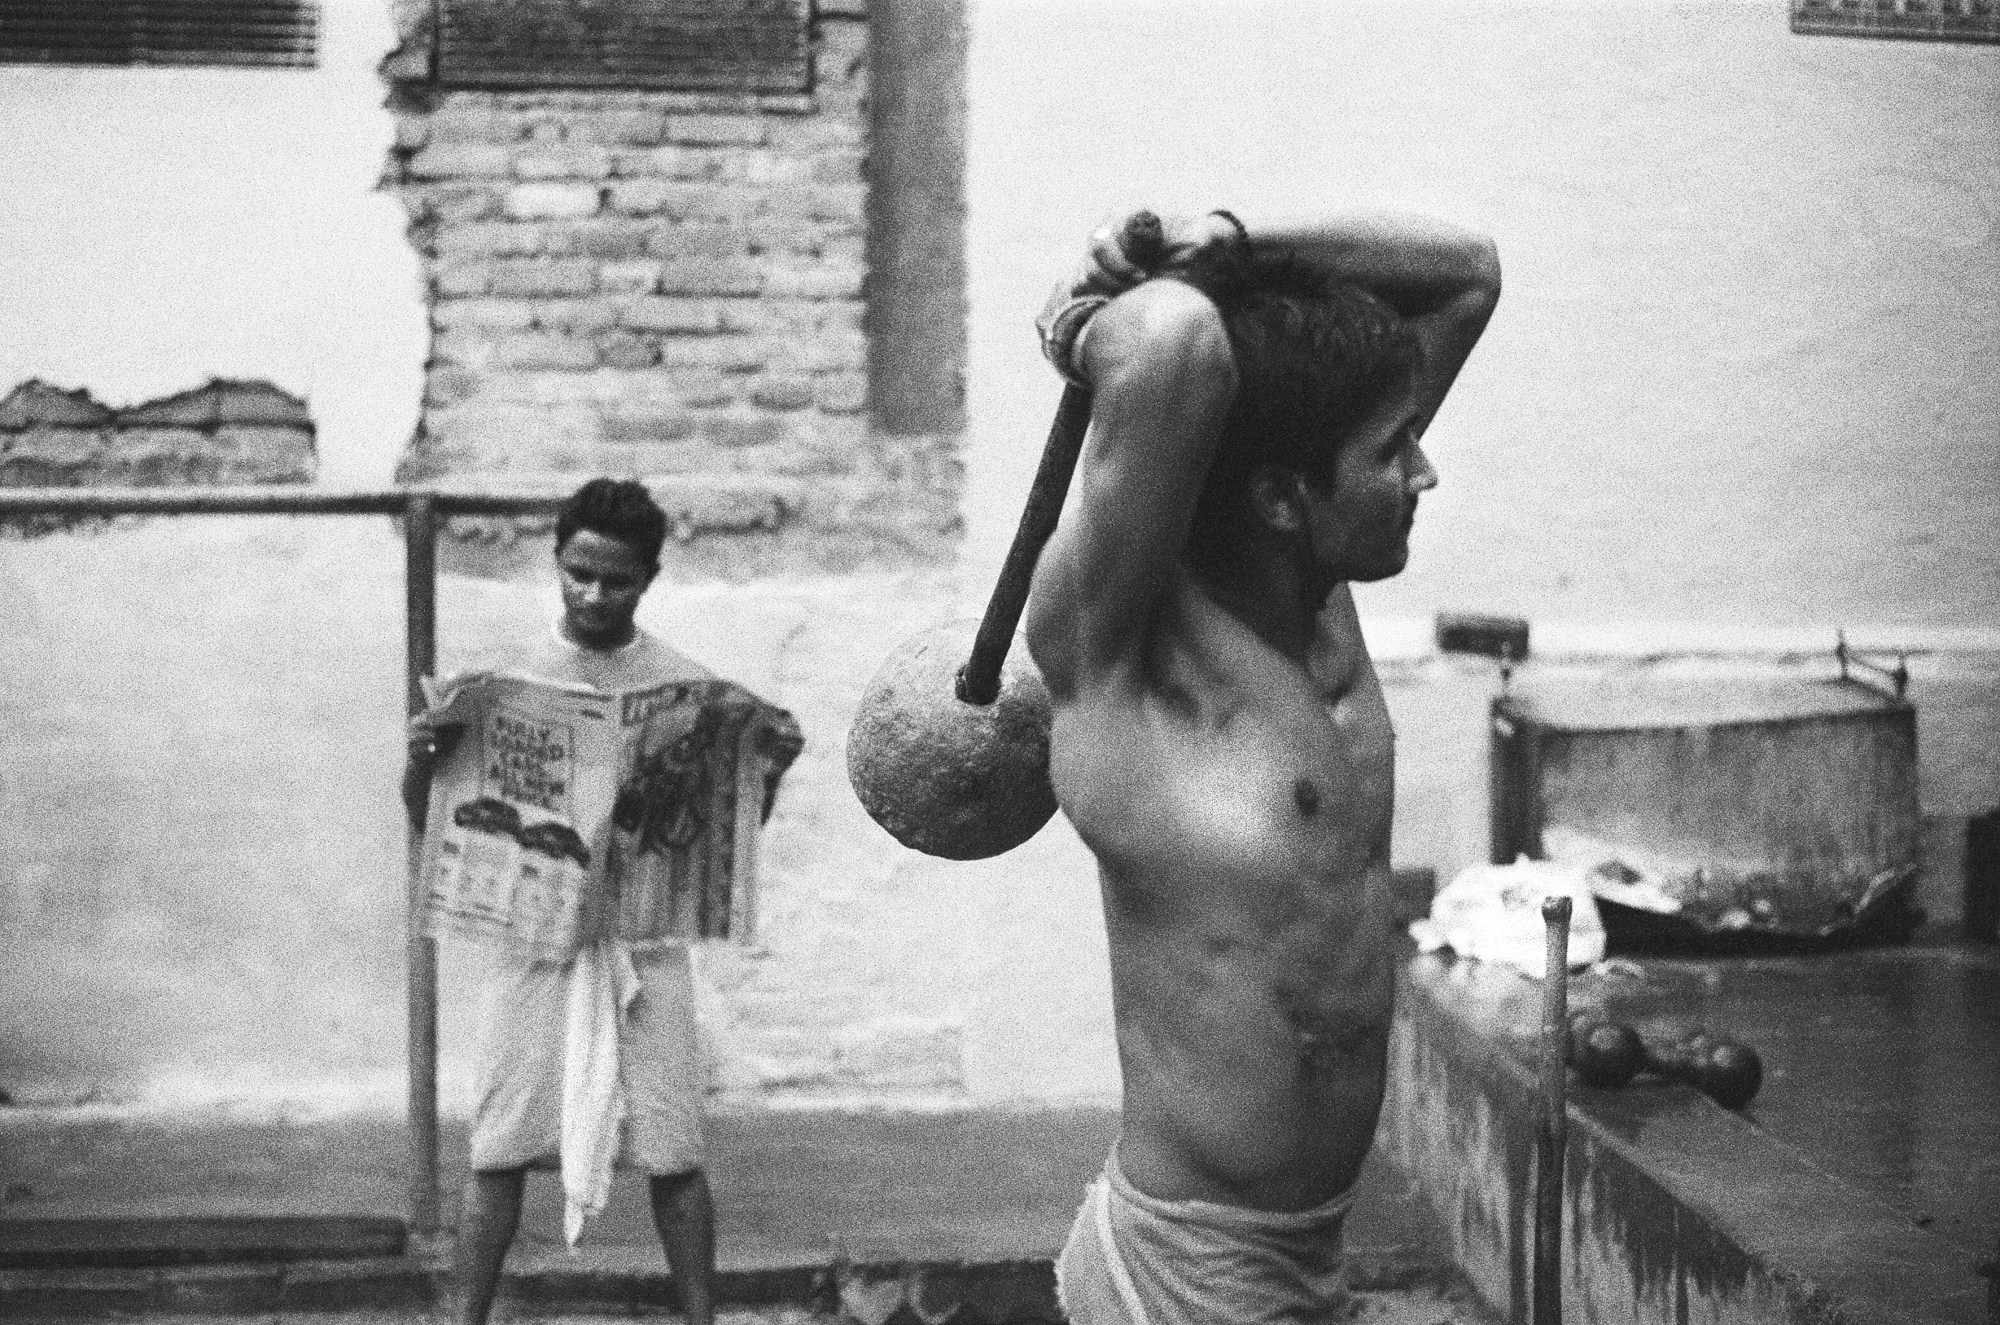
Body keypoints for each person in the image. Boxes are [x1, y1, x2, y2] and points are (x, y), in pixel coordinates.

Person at [1026, 208, 1501, 1323]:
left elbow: (1466, 276)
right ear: (1284, 494)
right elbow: (1172, 344)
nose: (1422, 470)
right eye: (1391, 451)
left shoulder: (1316, 598)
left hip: (1301, 1253)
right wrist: (1076, 321)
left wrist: (1232, 232)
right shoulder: (1126, 660)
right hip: (1183, 1272)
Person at [405, 478, 751, 1325]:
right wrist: (423, 758)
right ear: (556, 564)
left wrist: (753, 767)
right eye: (578, 574)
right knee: (501, 1142)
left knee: (673, 1145)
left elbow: (721, 832)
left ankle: (701, 1320)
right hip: (532, 935)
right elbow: (431, 817)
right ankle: (464, 1320)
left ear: (650, 578)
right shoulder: (505, 685)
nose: (595, 595)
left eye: (617, 580)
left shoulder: (683, 687)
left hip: (644, 938)